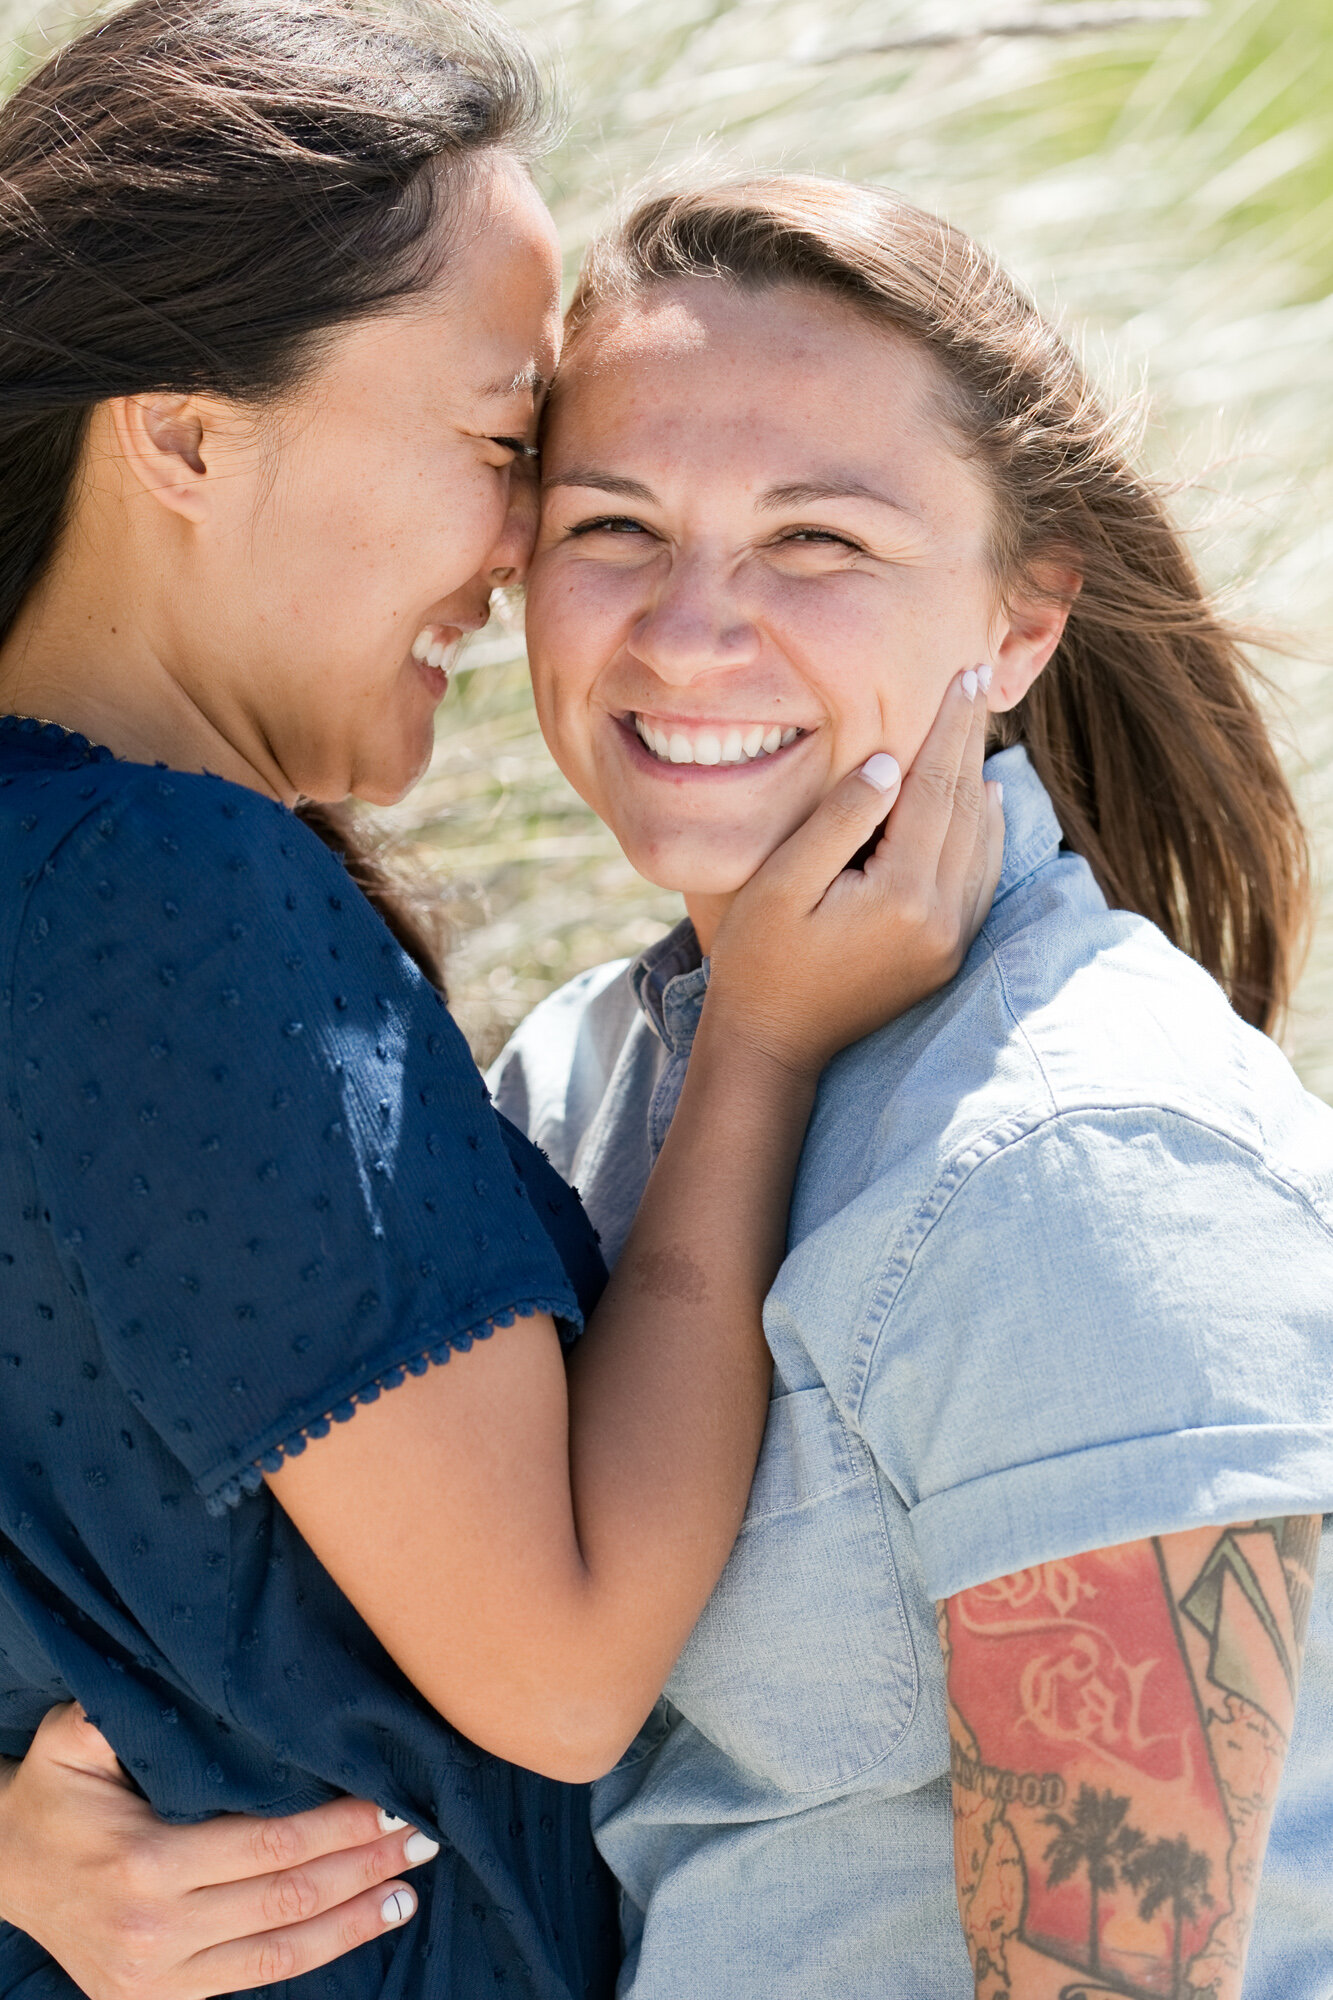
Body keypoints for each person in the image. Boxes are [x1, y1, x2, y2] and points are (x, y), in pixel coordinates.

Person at [4, 171, 1332, 1999]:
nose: (688, 631)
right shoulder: (586, 1079)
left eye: (818, 541)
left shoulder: (1082, 1158)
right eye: (612, 523)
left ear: (1020, 622)